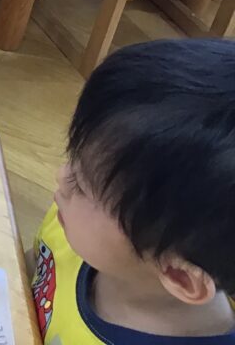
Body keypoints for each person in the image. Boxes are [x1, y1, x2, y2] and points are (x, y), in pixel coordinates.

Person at [33, 39, 235, 343]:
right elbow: (34, 269)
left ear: (179, 275)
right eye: (74, 160)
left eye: (83, 187)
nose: (62, 177)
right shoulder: (74, 222)